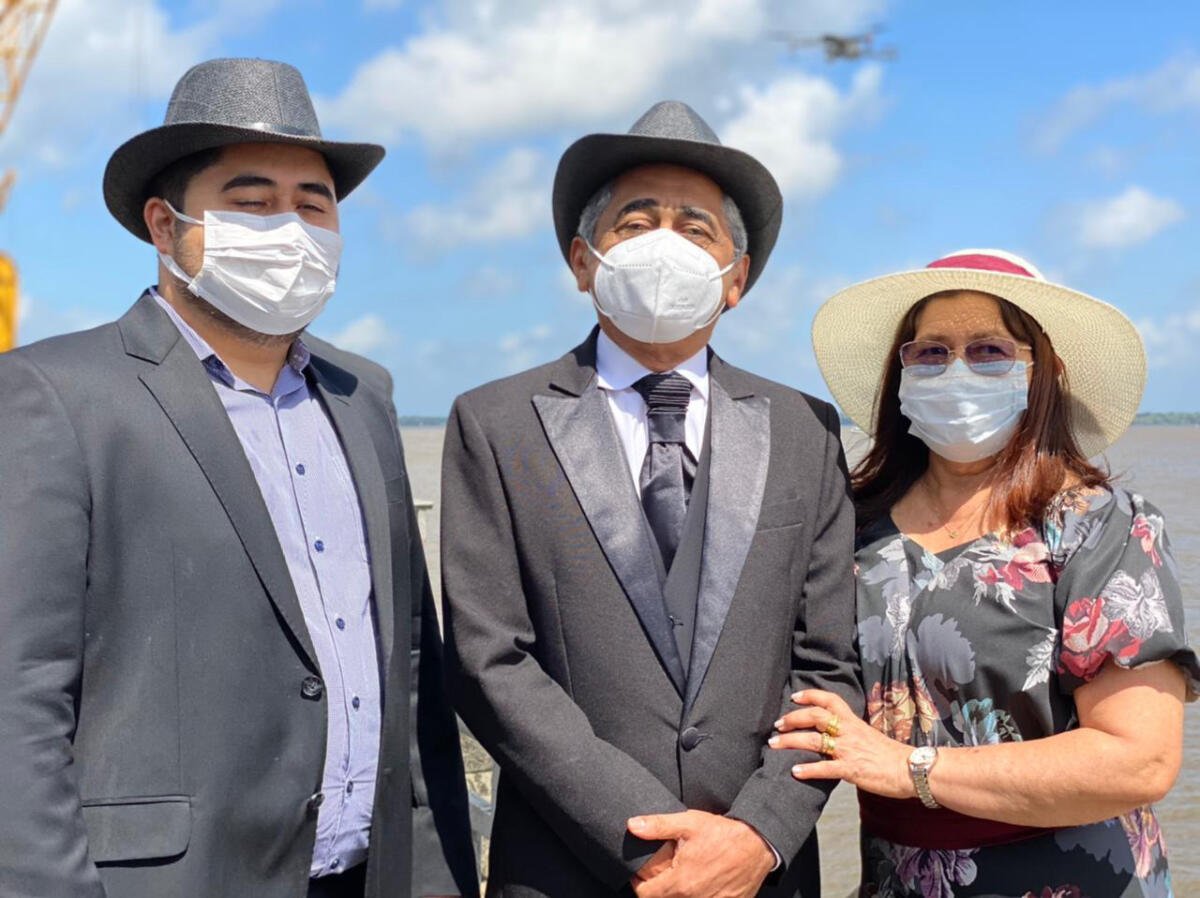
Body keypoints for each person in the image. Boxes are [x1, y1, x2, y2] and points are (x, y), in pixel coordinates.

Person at [0, 58, 475, 898]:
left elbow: (410, 665)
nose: (289, 228)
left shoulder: (364, 394)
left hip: (367, 874)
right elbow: (17, 695)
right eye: (252, 203)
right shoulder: (55, 395)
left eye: (312, 205)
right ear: (164, 225)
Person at [439, 100, 863, 898]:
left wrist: (758, 834)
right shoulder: (496, 423)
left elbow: (830, 665)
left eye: (696, 229)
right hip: (566, 868)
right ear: (583, 261)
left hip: (758, 875)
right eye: (636, 223)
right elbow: (488, 661)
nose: (666, 243)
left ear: (736, 279)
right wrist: (653, 845)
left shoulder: (805, 429)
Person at [770, 249, 1199, 897]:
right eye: (930, 352)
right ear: (901, 373)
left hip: (1078, 877)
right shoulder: (852, 525)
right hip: (895, 877)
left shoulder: (1098, 526)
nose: (956, 370)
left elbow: (1141, 760)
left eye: (989, 350)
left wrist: (909, 767)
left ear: (1043, 373)